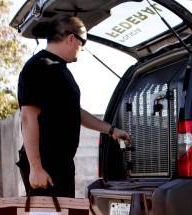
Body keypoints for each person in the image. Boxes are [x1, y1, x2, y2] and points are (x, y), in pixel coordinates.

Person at [17, 16, 129, 198]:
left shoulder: (59, 69)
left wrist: (111, 130)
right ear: (71, 38)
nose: (82, 48)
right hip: (46, 164)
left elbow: (74, 112)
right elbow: (28, 118)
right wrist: (36, 169)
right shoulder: (39, 67)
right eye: (82, 42)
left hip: (60, 163)